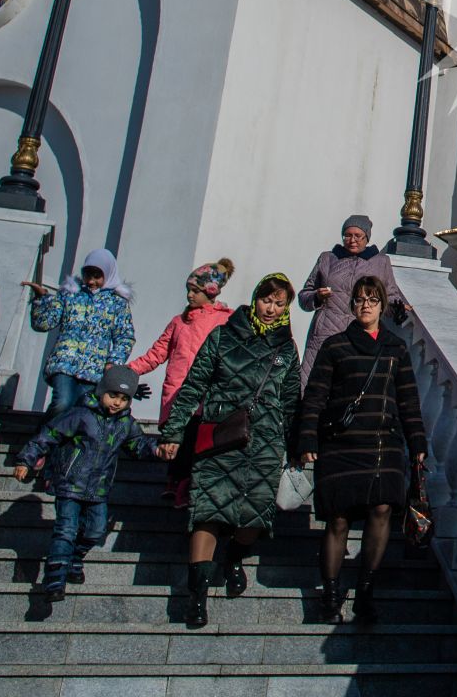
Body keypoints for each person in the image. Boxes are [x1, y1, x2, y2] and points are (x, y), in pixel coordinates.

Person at [157, 274, 300, 630]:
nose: (271, 308)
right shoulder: (223, 335)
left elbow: (291, 403)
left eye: (279, 303)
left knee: (253, 517)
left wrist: (297, 446)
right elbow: (194, 385)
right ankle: (197, 596)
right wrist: (173, 431)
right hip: (221, 437)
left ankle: (234, 557)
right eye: (267, 300)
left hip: (265, 443)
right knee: (208, 512)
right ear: (256, 299)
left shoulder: (286, 349)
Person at [295, 276, 427, 624]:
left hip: (383, 443)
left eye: (372, 299)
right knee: (338, 518)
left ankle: (366, 589)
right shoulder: (335, 346)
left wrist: (418, 443)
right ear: (352, 305)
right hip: (342, 443)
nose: (365, 305)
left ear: (383, 306)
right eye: (359, 299)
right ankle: (331, 591)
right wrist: (307, 438)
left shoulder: (395, 349)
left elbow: (408, 400)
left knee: (382, 509)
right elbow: (316, 395)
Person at [13, 364, 159, 601]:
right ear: (101, 391)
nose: (117, 403)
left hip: (98, 490)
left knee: (96, 530)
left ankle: (75, 558)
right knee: (66, 531)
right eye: (113, 395)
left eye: (124, 398)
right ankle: (55, 580)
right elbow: (48, 435)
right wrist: (26, 460)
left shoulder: (126, 423)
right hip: (70, 484)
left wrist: (158, 450)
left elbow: (138, 445)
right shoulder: (81, 414)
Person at [129, 260, 236, 503]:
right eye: (188, 290)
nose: (190, 295)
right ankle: (174, 480)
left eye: (195, 291)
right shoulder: (179, 322)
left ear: (210, 291)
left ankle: (184, 485)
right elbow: (157, 353)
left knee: (192, 441)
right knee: (177, 437)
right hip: (176, 392)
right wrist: (128, 371)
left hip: (204, 395)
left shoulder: (225, 321)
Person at [27, 249, 136, 414]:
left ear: (108, 273)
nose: (91, 281)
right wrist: (42, 299)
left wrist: (113, 362)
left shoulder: (117, 303)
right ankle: (42, 439)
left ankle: (55, 439)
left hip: (94, 369)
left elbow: (125, 337)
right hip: (64, 362)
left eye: (97, 276)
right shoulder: (70, 294)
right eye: (88, 275)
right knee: (62, 402)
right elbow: (44, 323)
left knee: (78, 411)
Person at [298, 216, 403, 382]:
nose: (352, 240)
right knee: (316, 381)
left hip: (361, 333)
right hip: (324, 332)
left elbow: (390, 295)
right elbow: (304, 295)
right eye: (347, 235)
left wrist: (398, 308)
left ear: (367, 237)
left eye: (358, 236)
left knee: (351, 383)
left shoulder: (380, 262)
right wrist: (317, 296)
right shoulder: (327, 258)